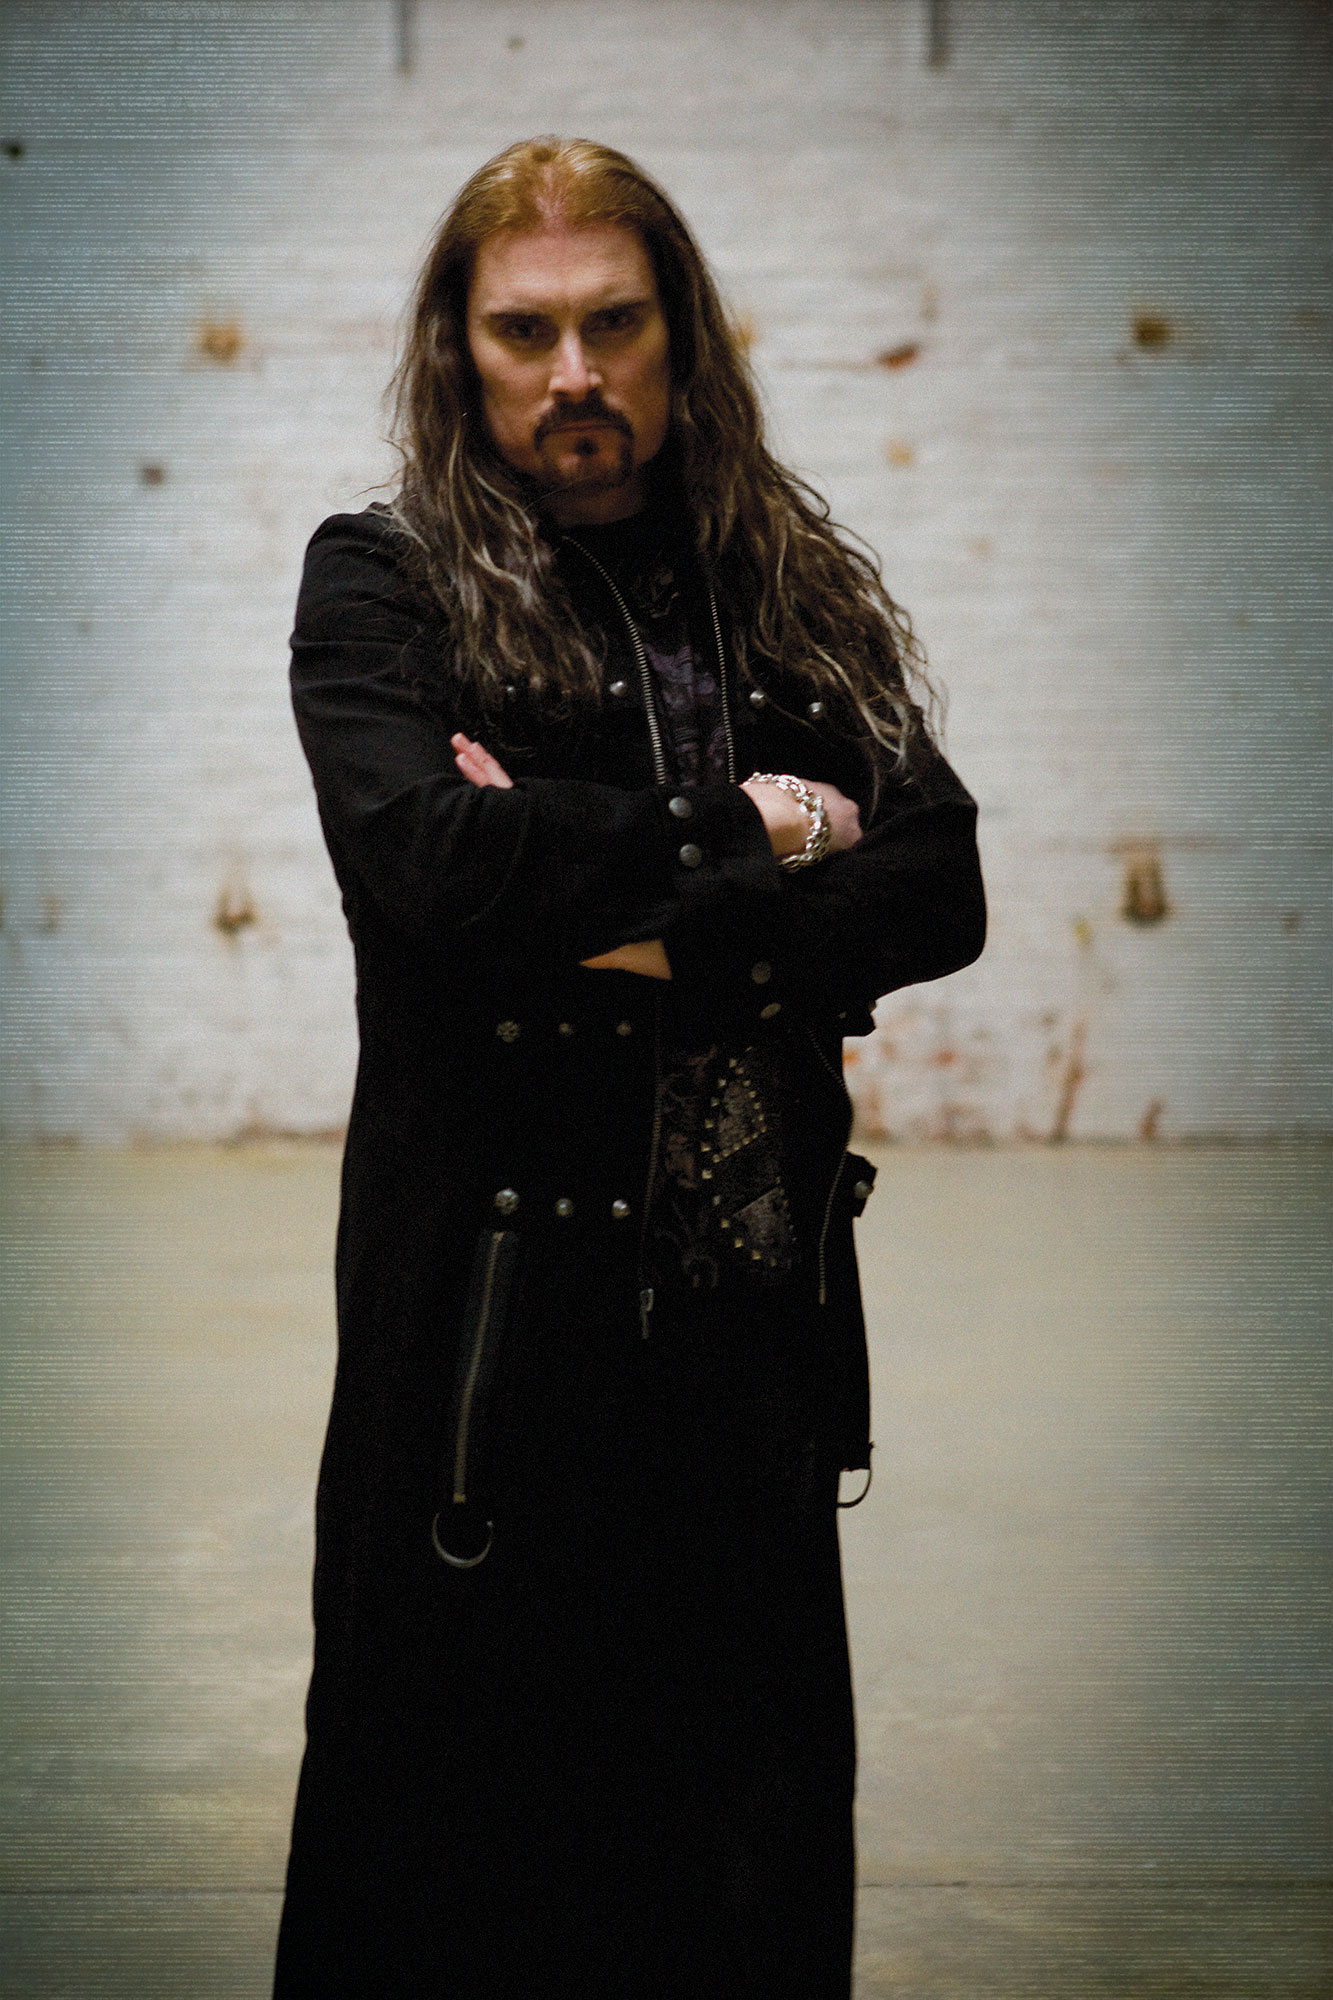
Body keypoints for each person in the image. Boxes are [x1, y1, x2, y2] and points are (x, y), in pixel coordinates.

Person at [273, 136, 985, 2000]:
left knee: (734, 1856)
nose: (574, 372)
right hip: (492, 1334)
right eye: (527, 331)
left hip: (748, 1329)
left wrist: (622, 905)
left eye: (615, 323)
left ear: (683, 338)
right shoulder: (386, 583)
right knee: (452, 1855)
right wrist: (768, 831)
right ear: (460, 351)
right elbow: (436, 865)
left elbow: (941, 881)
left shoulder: (786, 585)